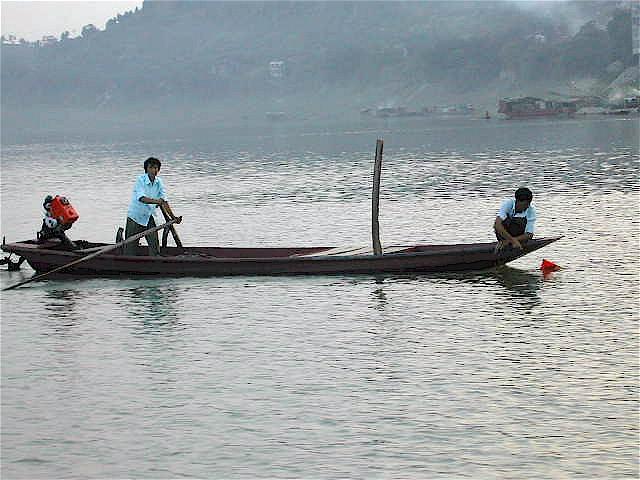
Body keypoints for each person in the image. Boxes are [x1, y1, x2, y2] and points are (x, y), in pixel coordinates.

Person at [123, 157, 180, 256]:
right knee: (130, 247)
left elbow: (164, 201)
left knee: (154, 246)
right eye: (151, 168)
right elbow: (141, 198)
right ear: (147, 169)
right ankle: (128, 263)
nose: (154, 170)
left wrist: (173, 217)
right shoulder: (140, 180)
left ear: (158, 169)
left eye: (156, 168)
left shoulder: (159, 182)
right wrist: (157, 201)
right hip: (135, 217)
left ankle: (154, 262)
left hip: (149, 217)